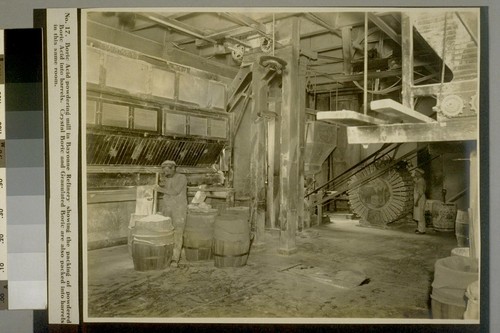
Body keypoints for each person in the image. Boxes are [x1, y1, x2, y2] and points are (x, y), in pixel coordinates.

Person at [155, 160, 187, 267]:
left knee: (178, 232)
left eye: (167, 170)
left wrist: (159, 189)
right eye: (164, 171)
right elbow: (167, 194)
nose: (165, 173)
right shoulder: (168, 178)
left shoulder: (181, 178)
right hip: (168, 209)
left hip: (179, 209)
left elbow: (175, 192)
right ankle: (170, 255)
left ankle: (175, 259)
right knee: (168, 232)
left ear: (173, 168)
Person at [413, 168, 427, 235]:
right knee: (418, 214)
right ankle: (419, 228)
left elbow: (420, 193)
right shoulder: (419, 180)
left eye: (416, 172)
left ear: (419, 174)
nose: (415, 173)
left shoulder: (420, 181)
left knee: (420, 214)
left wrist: (416, 201)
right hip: (419, 198)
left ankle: (422, 230)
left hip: (420, 199)